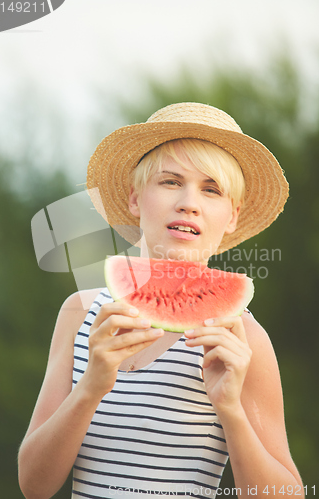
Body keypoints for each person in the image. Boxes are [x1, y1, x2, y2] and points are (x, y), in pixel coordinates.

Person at [18, 102, 304, 499]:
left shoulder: (242, 338)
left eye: (211, 189)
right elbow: (33, 486)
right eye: (170, 181)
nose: (189, 201)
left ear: (232, 216)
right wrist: (90, 388)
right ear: (136, 199)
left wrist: (231, 410)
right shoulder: (81, 314)